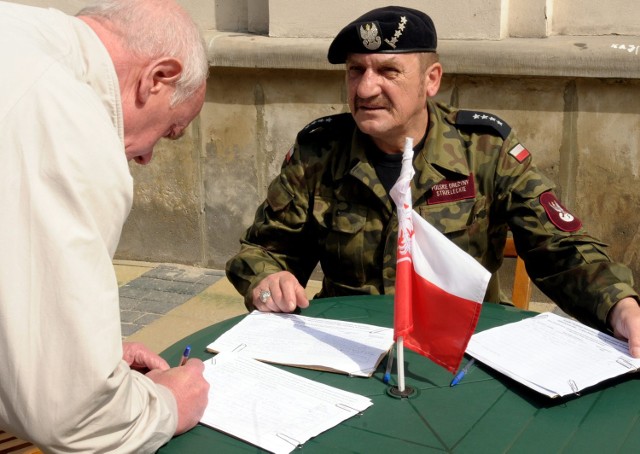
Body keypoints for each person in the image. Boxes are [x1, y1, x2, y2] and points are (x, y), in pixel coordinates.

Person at [225, 6, 640, 356]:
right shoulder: (320, 153)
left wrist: (619, 304)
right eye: (356, 70)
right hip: (348, 350)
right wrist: (266, 281)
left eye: (388, 71)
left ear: (431, 80)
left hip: (462, 352)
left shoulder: (485, 150)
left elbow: (560, 246)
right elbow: (263, 250)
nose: (366, 88)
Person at [0, 0, 210, 451]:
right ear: (158, 77)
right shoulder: (67, 124)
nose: (149, 156)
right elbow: (70, 414)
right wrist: (168, 403)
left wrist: (81, 346)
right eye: (171, 129)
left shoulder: (18, 32)